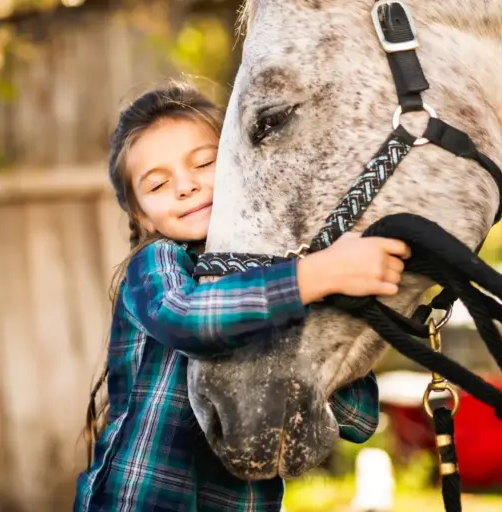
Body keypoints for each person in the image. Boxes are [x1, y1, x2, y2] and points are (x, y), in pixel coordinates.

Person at [74, 80, 411, 511]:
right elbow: (186, 318)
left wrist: (335, 295)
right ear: (142, 216)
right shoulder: (158, 264)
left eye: (204, 163)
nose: (185, 187)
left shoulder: (276, 277)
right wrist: (315, 275)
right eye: (158, 185)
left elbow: (358, 418)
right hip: (140, 499)